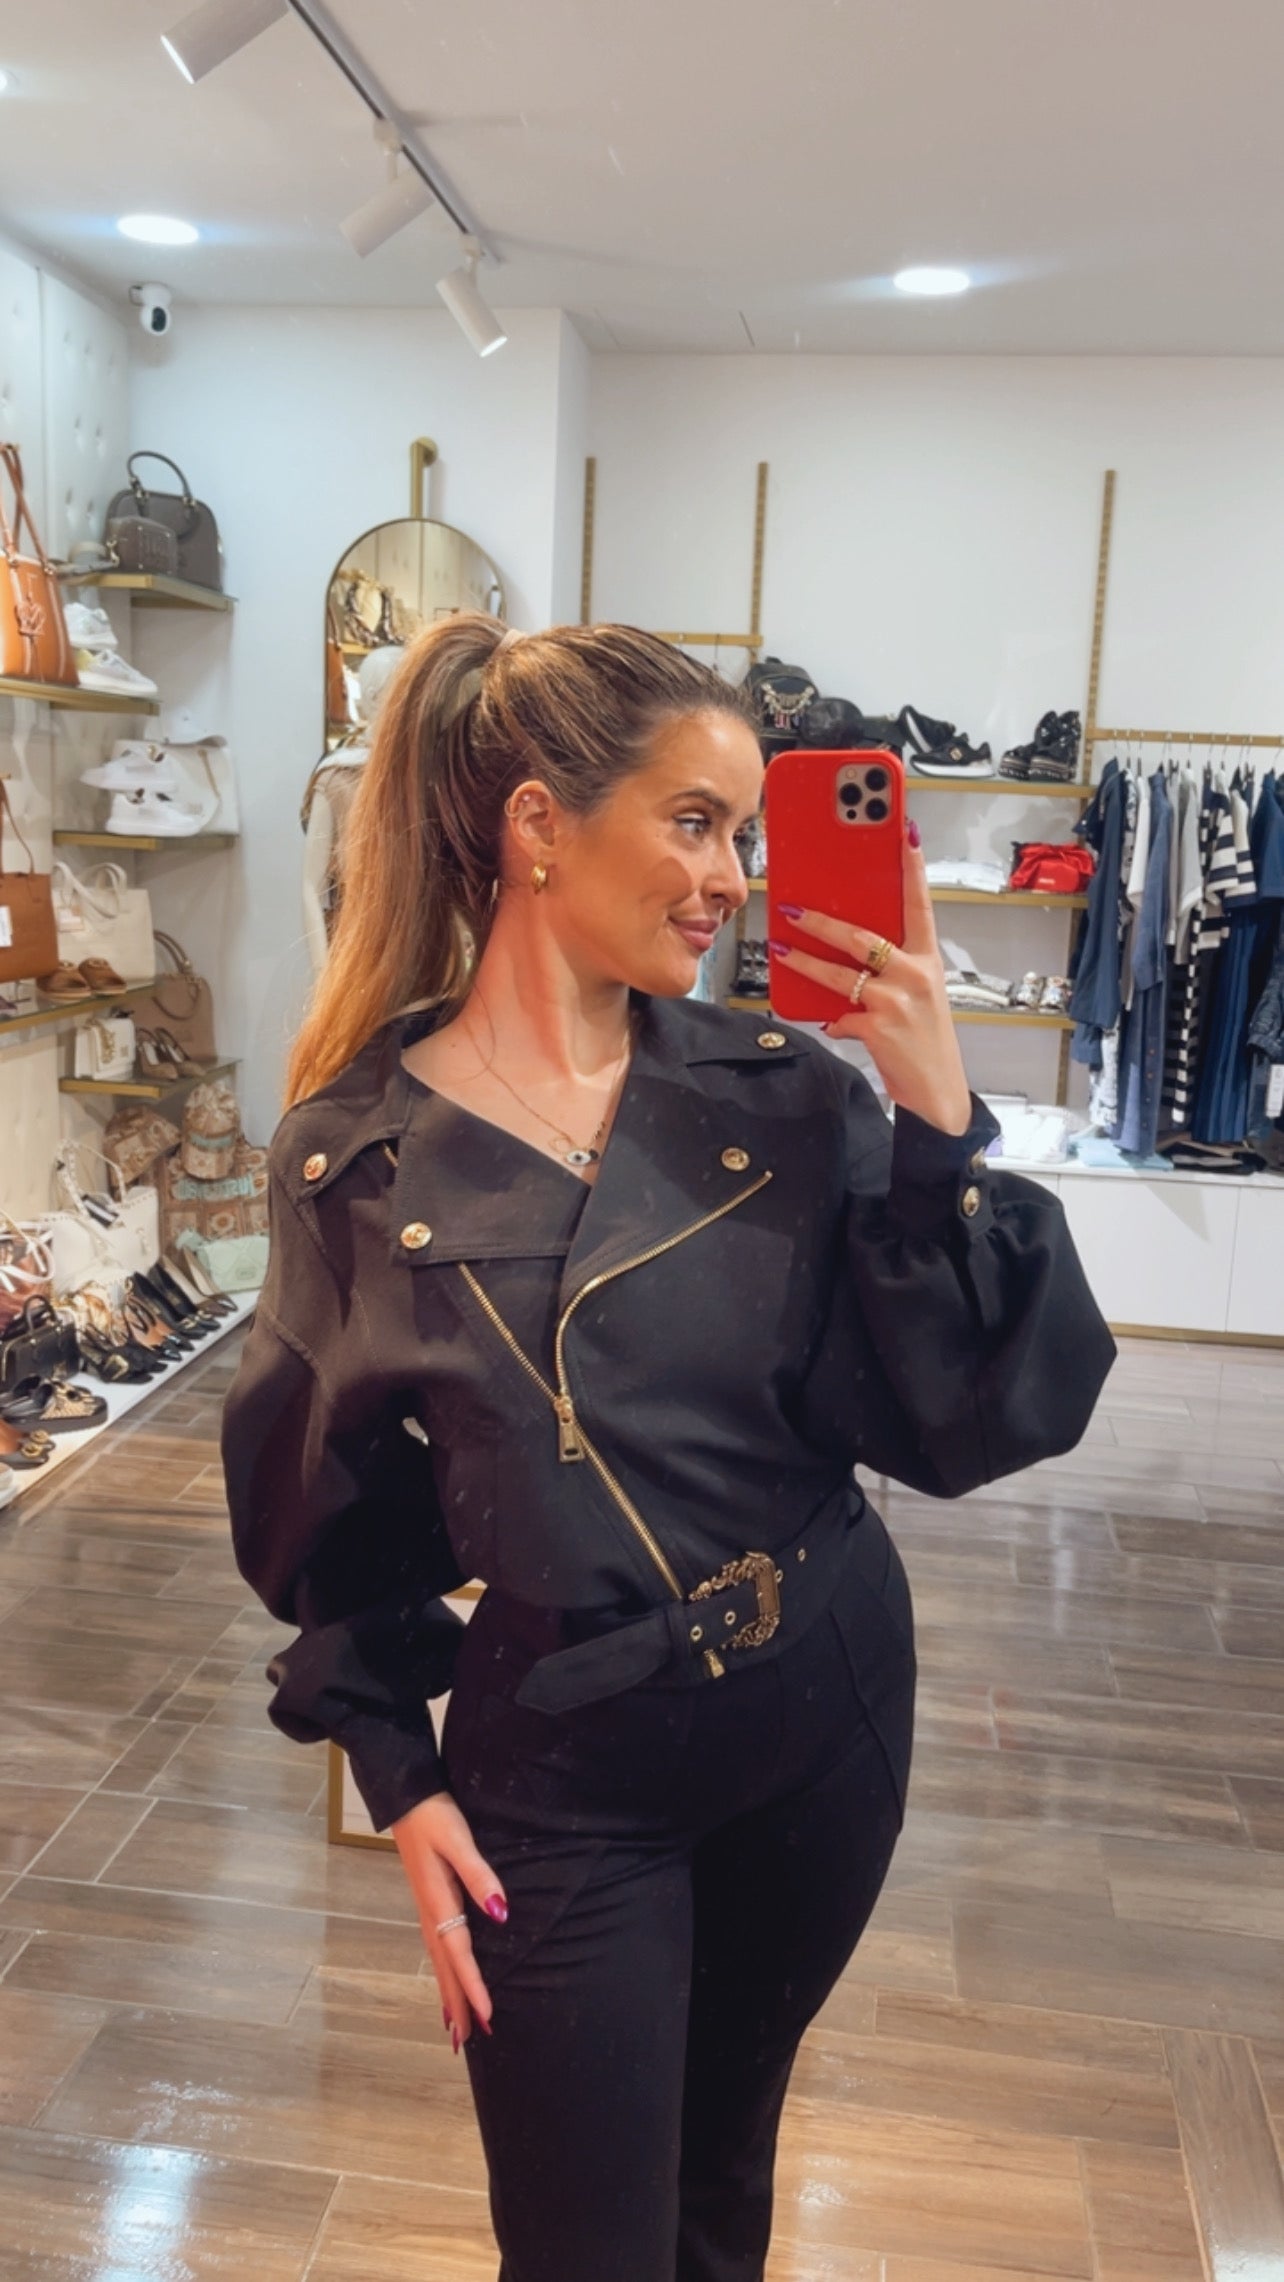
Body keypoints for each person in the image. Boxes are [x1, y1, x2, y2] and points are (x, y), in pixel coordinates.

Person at [222, 616, 1115, 2282]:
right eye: (695, 821)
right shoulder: (358, 1158)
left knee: (720, 2193)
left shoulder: (784, 1094)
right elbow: (319, 1504)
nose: (731, 879)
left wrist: (940, 1126)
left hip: (825, 1713)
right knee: (582, 2249)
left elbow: (970, 1413)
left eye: (746, 835)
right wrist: (398, 1774)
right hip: (568, 1770)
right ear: (540, 825)